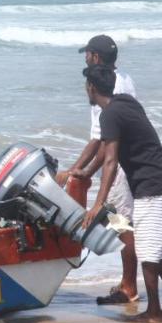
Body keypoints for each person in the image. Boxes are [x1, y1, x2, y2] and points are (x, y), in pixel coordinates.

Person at [83, 64, 162, 322]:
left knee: (147, 252)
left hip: (153, 186)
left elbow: (110, 160)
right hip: (153, 183)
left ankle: (153, 312)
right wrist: (84, 173)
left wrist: (98, 203)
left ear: (91, 88)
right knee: (157, 250)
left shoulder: (108, 115)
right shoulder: (127, 102)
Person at [59, 34, 140, 305]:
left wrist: (79, 170)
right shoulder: (124, 79)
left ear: (96, 57)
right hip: (126, 160)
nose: (85, 58)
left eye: (88, 54)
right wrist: (81, 169)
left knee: (121, 224)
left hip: (117, 166)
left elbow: (101, 140)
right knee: (119, 222)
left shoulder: (102, 88)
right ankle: (127, 282)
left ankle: (129, 286)